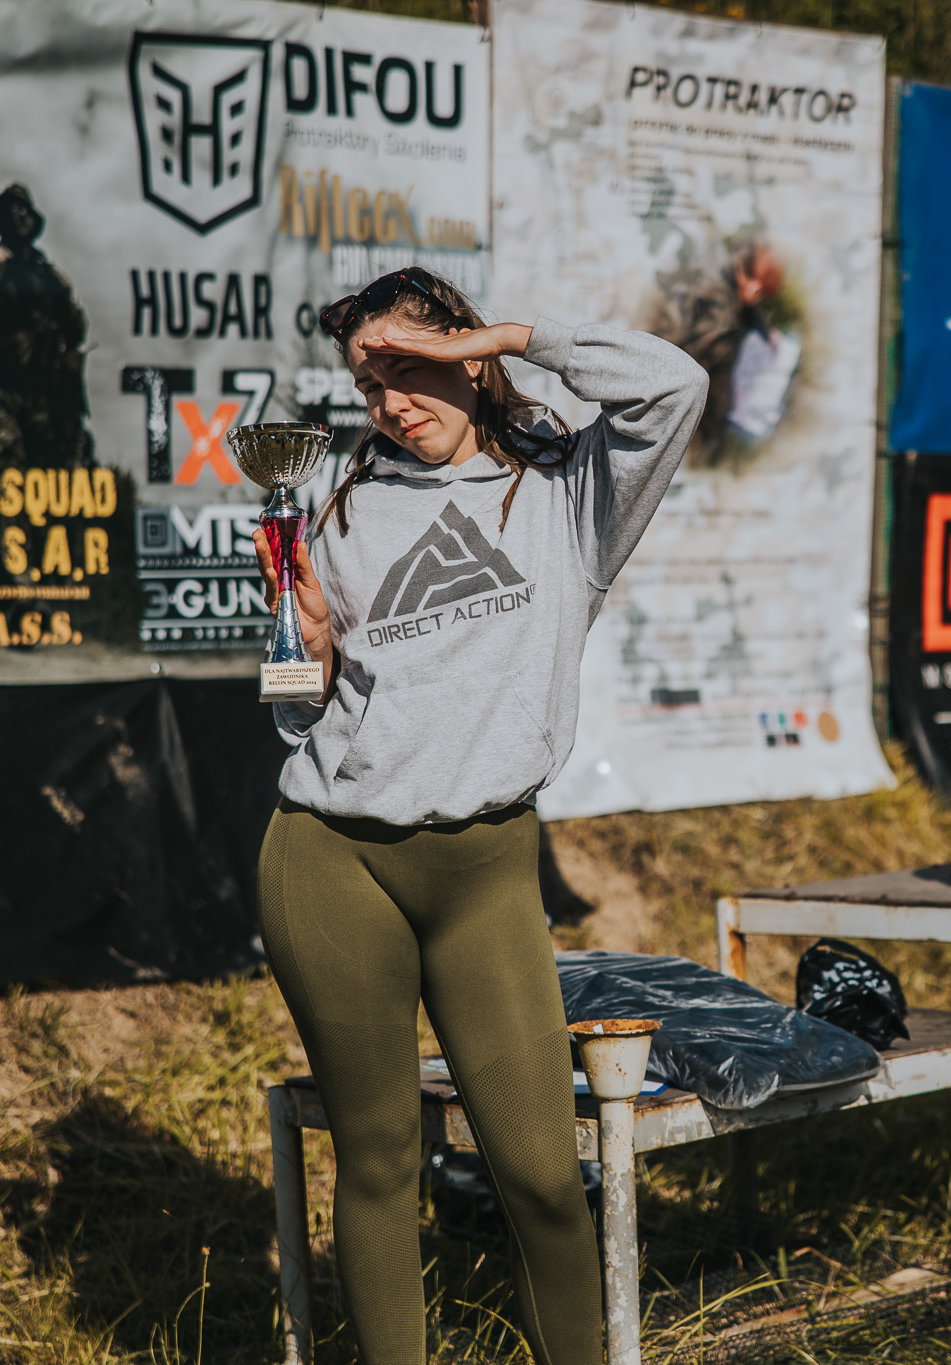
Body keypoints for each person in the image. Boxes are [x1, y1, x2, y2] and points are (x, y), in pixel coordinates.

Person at [251, 266, 707, 1365]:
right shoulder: (339, 506)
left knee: (546, 1177)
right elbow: (294, 715)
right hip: (332, 860)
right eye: (368, 384)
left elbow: (674, 386)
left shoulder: (570, 493)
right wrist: (301, 647)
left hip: (488, 874)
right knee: (376, 1161)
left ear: (468, 354)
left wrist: (521, 332)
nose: (391, 401)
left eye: (409, 367)